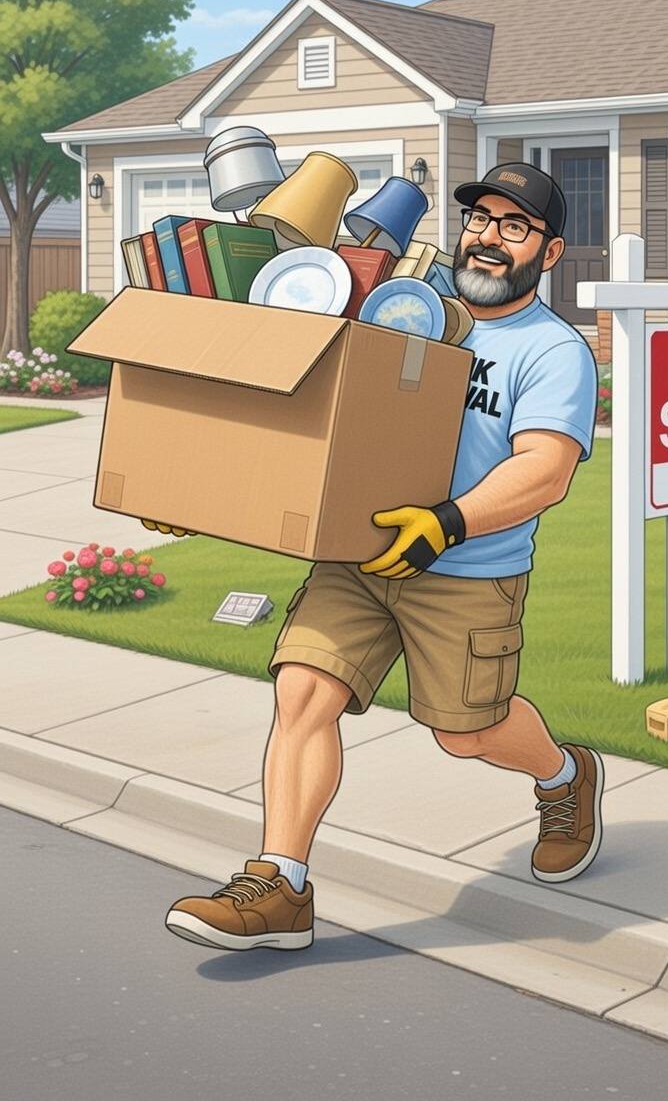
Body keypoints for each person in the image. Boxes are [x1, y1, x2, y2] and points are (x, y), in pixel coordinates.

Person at [165, 161, 602, 952]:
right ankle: (280, 885)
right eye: (481, 220)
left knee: (469, 734)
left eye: (515, 227)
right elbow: (305, 410)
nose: (490, 239)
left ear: (551, 249)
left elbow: (546, 468)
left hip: (467, 572)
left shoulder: (553, 350)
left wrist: (448, 522)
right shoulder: (398, 311)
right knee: (302, 690)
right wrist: (198, 490)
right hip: (357, 557)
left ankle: (564, 776)